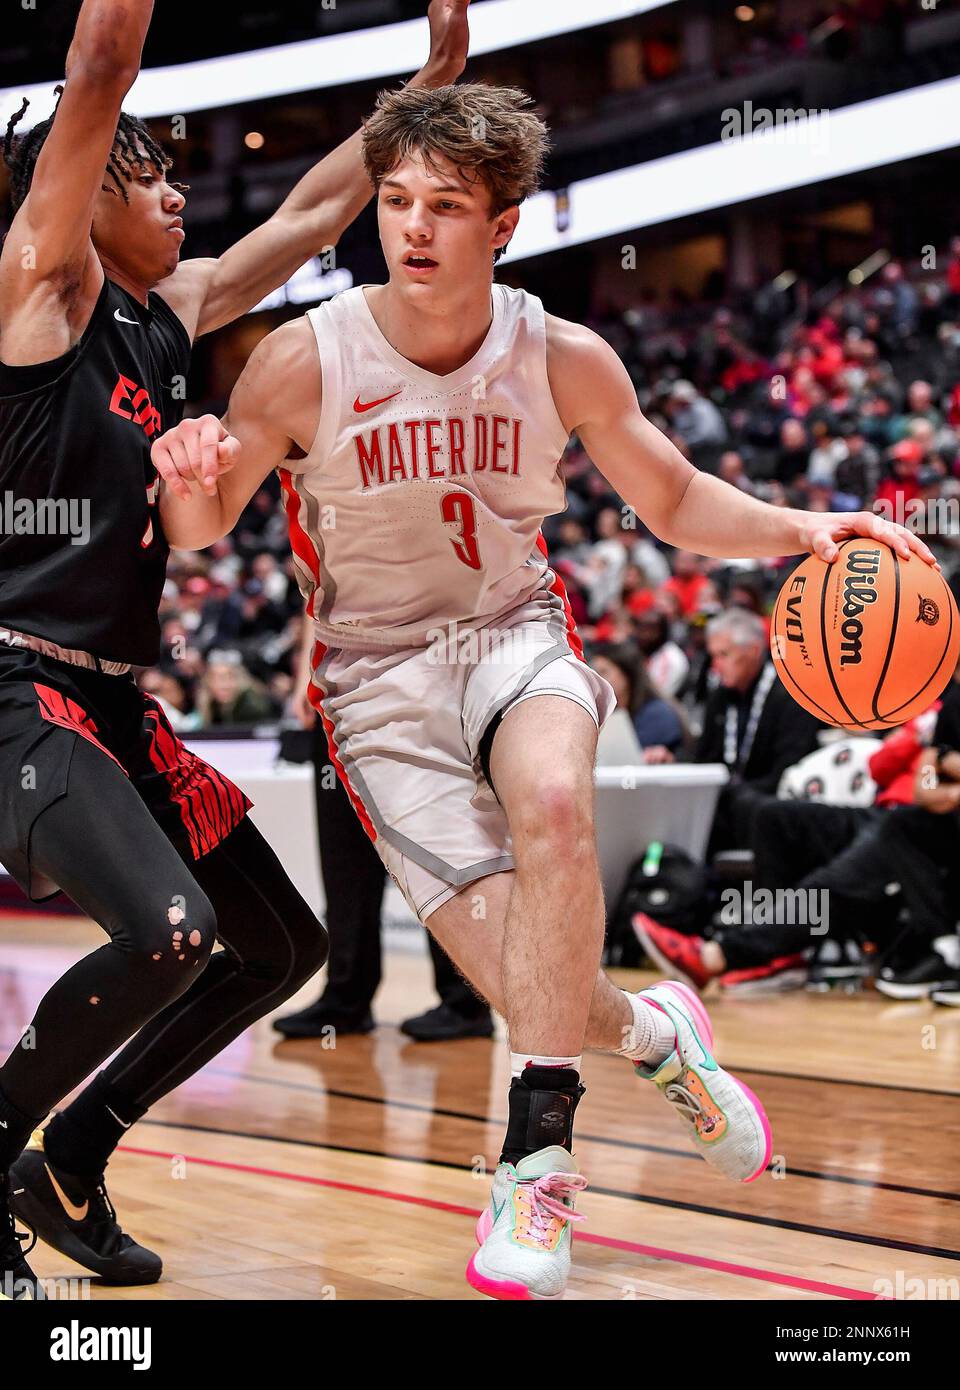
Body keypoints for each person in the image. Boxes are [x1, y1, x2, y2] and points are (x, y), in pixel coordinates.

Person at [151, 81, 935, 1301]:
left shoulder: (562, 354)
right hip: (374, 687)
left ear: (503, 223)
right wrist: (186, 466)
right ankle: (658, 1034)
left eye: (446, 206)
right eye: (397, 202)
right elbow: (200, 528)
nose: (412, 227)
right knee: (522, 978)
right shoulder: (303, 361)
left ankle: (538, 1158)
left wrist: (804, 525)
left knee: (558, 803)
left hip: (515, 632)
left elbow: (671, 500)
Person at [0, 0, 472, 1302]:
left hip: (115, 703)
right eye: (148, 175)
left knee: (276, 945)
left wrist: (422, 87)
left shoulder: (173, 309)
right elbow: (97, 64)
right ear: (87, 188)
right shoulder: (42, 295)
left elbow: (316, 216)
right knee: (168, 931)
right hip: (15, 685)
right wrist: (111, 59)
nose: (177, 195)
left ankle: (70, 1159)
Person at [274, 615, 493, 1040]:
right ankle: (346, 998)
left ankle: (465, 1001)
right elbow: (314, 598)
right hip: (339, 695)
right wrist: (307, 673)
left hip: (421, 690)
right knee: (344, 857)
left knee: (438, 850)